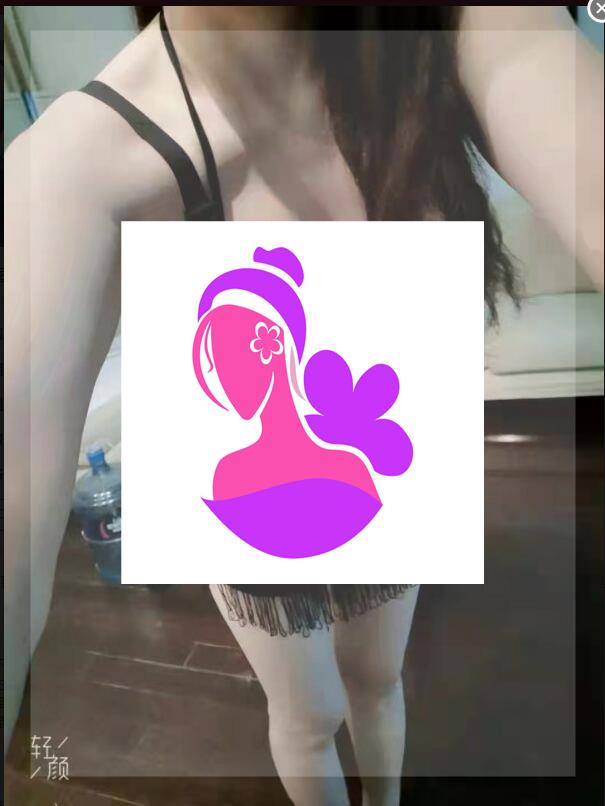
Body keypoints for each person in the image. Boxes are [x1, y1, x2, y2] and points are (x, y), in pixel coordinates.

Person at [4, 6, 603, 806]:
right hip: (247, 524)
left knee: (377, 677)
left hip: (373, 483)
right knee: (307, 711)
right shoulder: (80, 162)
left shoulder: (463, 35)